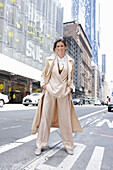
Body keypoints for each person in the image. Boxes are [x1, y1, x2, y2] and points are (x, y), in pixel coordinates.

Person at [32, 39, 82, 156]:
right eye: (57, 46)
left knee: (65, 120)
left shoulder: (70, 61)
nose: (59, 48)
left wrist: (70, 88)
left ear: (65, 47)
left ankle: (69, 146)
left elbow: (71, 77)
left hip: (64, 92)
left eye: (61, 46)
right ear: (55, 48)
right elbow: (44, 75)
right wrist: (44, 85)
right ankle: (40, 145)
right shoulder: (50, 60)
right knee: (45, 118)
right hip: (50, 90)